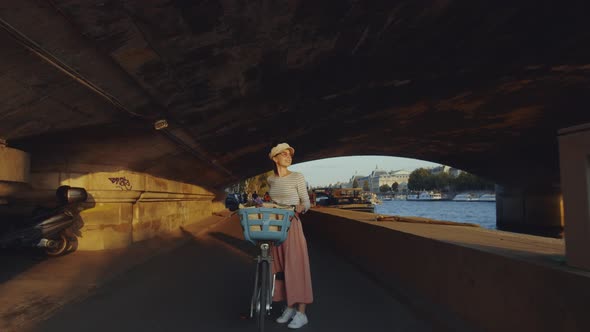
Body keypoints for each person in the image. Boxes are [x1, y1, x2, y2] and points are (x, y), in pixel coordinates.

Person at [267, 142, 312, 329]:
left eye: (289, 154)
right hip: (275, 227)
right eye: (283, 154)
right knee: (280, 269)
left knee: (296, 266)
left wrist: (300, 207)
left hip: (292, 225)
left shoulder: (297, 177)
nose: (288, 156)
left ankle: (302, 313)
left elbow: (307, 202)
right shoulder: (270, 180)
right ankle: (289, 307)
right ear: (275, 158)